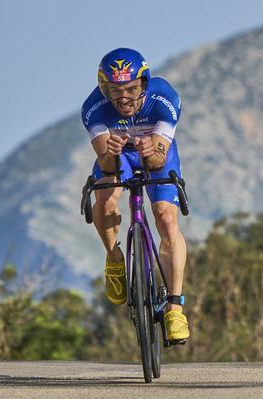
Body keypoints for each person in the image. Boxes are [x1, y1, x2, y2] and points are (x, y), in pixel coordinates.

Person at [79, 47, 190, 343]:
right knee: (104, 200)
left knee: (166, 218)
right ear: (104, 88)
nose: (123, 97)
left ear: (143, 83)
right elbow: (107, 166)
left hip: (155, 150)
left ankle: (175, 307)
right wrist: (111, 154)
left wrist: (151, 151)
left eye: (130, 88)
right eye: (114, 90)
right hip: (119, 154)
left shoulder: (165, 99)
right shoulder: (94, 109)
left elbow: (157, 163)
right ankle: (114, 256)